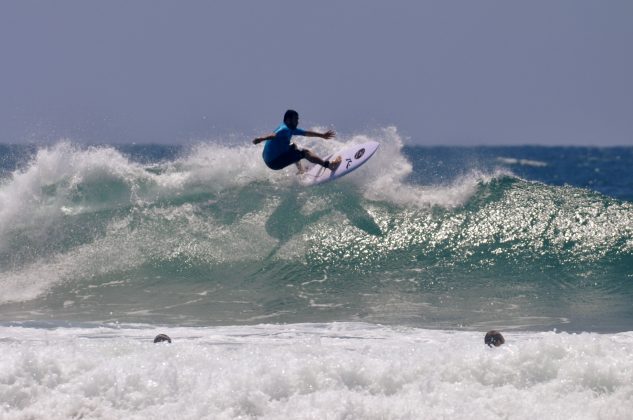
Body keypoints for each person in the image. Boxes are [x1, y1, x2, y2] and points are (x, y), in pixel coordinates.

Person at [252, 110, 341, 173]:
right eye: (295, 119)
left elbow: (306, 133)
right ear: (288, 120)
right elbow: (272, 135)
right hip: (274, 162)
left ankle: (301, 170)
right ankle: (329, 166)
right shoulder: (284, 129)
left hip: (269, 159)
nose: (297, 122)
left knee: (293, 146)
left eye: (297, 119)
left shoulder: (291, 128)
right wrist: (261, 139)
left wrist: (322, 135)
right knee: (305, 153)